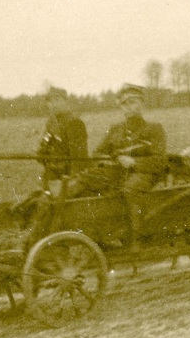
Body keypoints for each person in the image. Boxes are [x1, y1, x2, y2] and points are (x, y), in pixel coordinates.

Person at [67, 84, 167, 247]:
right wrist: (112, 158)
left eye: (132, 102)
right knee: (87, 179)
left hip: (144, 173)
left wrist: (133, 162)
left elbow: (159, 161)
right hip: (117, 172)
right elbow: (97, 153)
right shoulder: (116, 129)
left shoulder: (154, 129)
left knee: (130, 189)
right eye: (124, 104)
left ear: (142, 104)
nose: (128, 107)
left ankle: (136, 237)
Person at [36, 86, 89, 193]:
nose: (53, 104)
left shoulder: (74, 122)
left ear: (65, 101)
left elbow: (79, 158)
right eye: (50, 101)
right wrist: (40, 153)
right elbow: (43, 151)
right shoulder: (51, 123)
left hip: (67, 177)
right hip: (50, 175)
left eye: (57, 100)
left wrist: (73, 181)